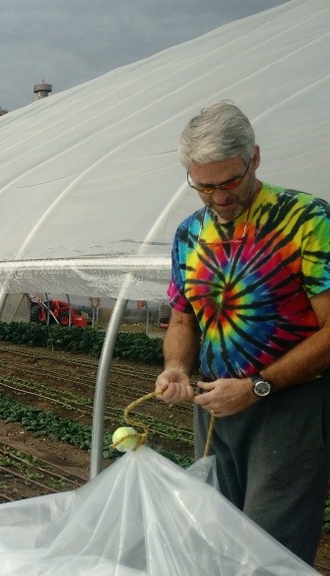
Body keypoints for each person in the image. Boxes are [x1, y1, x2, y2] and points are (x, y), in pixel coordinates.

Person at [155, 100, 330, 564]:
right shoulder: (190, 234)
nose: (218, 198)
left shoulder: (307, 221)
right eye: (203, 186)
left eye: (229, 182)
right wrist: (176, 366)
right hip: (215, 407)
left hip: (288, 409)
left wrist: (257, 386)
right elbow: (182, 319)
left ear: (254, 158)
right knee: (212, 541)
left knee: (267, 553)